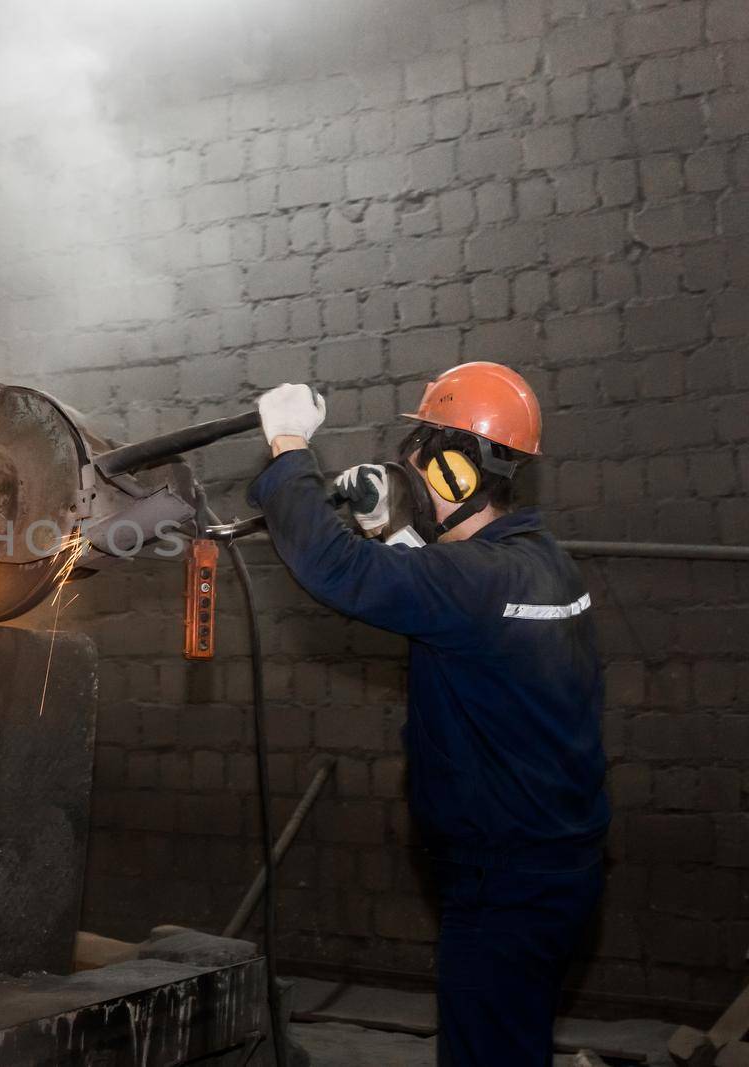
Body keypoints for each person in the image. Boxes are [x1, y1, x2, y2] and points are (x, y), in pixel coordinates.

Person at [248, 364, 609, 1067]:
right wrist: (395, 531)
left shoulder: (473, 582)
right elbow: (458, 613)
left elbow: (336, 570)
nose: (409, 474)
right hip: (561, 871)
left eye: (419, 458)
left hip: (502, 885)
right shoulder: (546, 567)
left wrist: (289, 448)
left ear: (455, 470)